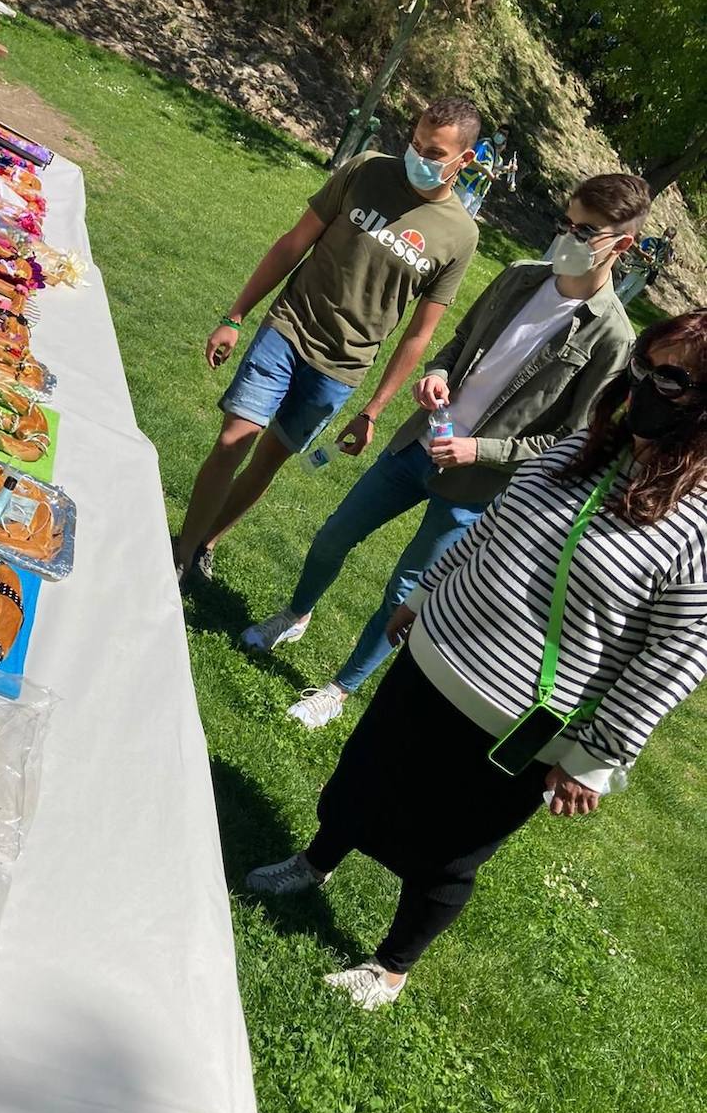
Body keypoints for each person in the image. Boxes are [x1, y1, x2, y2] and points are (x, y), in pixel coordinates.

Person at [246, 309, 707, 1010]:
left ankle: (390, 968)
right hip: (434, 655)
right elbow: (491, 528)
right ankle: (314, 862)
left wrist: (595, 757)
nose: (643, 385)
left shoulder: (697, 525)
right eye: (643, 365)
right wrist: (423, 594)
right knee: (364, 773)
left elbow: (675, 655)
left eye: (671, 379)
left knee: (448, 851)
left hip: (516, 721)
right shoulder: (584, 448)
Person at [242, 173, 650, 729]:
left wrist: (480, 450)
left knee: (406, 590)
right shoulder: (520, 276)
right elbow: (458, 344)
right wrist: (436, 373)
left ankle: (338, 689)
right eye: (567, 222)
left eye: (585, 231)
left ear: (621, 245)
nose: (568, 237)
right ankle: (296, 613)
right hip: (419, 442)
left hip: (476, 487)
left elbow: (573, 438)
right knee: (334, 535)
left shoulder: (612, 337)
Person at [172, 97, 482, 583]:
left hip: (343, 366)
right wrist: (235, 315)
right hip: (290, 326)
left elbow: (420, 334)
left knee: (268, 460)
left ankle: (207, 542)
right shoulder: (366, 170)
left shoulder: (461, 234)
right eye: (416, 143)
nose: (419, 157)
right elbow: (294, 243)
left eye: (434, 152)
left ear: (465, 160)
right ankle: (180, 555)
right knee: (235, 439)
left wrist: (373, 411)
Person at [454, 123, 508, 218]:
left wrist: (506, 169)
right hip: (465, 187)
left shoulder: (495, 154)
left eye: (504, 135)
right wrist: (487, 172)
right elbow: (471, 161)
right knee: (454, 217)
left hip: (478, 194)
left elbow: (492, 170)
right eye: (500, 132)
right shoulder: (485, 144)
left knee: (465, 223)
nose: (501, 136)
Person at [616, 227, 677, 304]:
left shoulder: (669, 250)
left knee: (630, 294)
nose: (665, 237)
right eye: (665, 234)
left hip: (648, 275)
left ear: (671, 238)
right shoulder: (652, 240)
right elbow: (638, 249)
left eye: (669, 236)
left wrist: (667, 250)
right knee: (622, 288)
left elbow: (667, 262)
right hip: (638, 268)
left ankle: (621, 306)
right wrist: (645, 256)